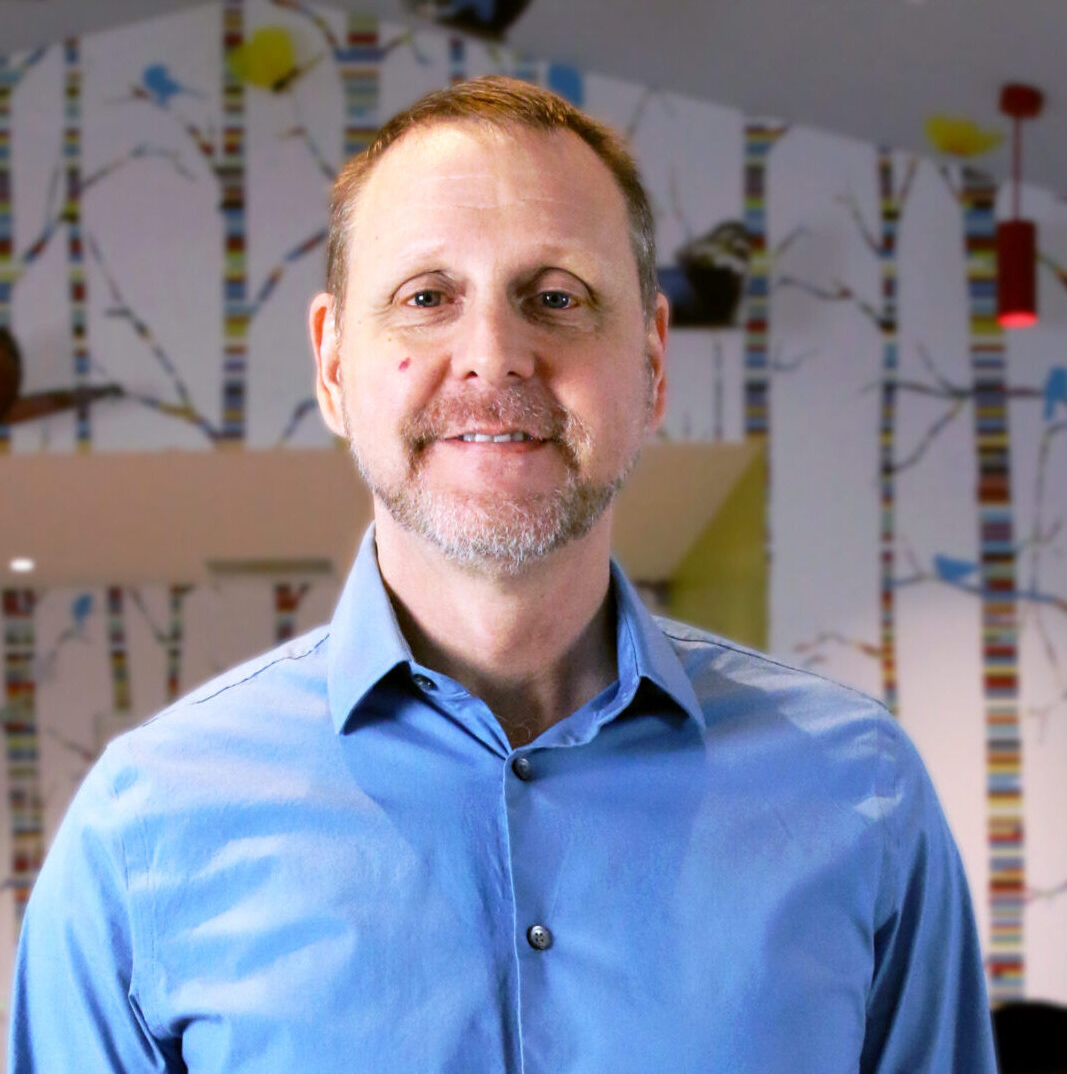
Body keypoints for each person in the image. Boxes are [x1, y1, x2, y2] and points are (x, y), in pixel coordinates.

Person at [10, 76, 996, 1073]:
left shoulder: (861, 795)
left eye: (557, 299)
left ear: (652, 363)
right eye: (427, 298)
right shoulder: (142, 834)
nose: (493, 356)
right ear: (333, 363)